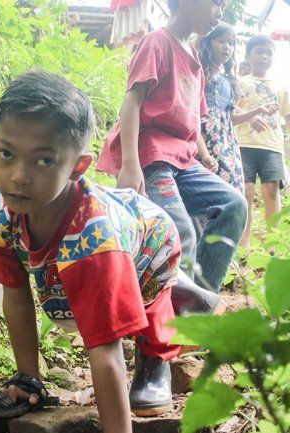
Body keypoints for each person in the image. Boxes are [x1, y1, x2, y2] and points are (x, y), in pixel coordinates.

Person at [0, 70, 224, 433]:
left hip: (149, 241)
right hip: (100, 237)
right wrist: (28, 378)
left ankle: (170, 313)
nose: (18, 176)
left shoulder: (96, 241)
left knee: (145, 309)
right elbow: (15, 293)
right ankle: (179, 290)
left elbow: (106, 352)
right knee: (68, 300)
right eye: (7, 154)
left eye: (43, 160)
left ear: (78, 167)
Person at [97, 0, 247, 293]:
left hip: (185, 161)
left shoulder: (193, 58)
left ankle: (196, 309)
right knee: (181, 234)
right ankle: (167, 329)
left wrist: (204, 155)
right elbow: (132, 102)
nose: (220, 12)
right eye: (217, 3)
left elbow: (193, 118)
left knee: (235, 205)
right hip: (153, 159)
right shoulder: (157, 42)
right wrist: (130, 164)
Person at [236, 35, 290, 248]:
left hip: (272, 146)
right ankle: (243, 247)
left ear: (273, 57)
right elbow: (229, 107)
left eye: (268, 53)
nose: (264, 57)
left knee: (271, 190)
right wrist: (250, 115)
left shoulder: (281, 86)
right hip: (243, 144)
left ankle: (273, 246)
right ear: (248, 55)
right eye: (259, 52)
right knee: (246, 191)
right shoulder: (239, 83)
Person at [197, 23, 284, 192]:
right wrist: (203, 151)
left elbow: (230, 118)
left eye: (231, 43)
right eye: (221, 41)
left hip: (227, 144)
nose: (227, 47)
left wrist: (257, 111)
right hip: (203, 139)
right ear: (207, 42)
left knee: (234, 190)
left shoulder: (228, 80)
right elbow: (194, 114)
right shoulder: (199, 72)